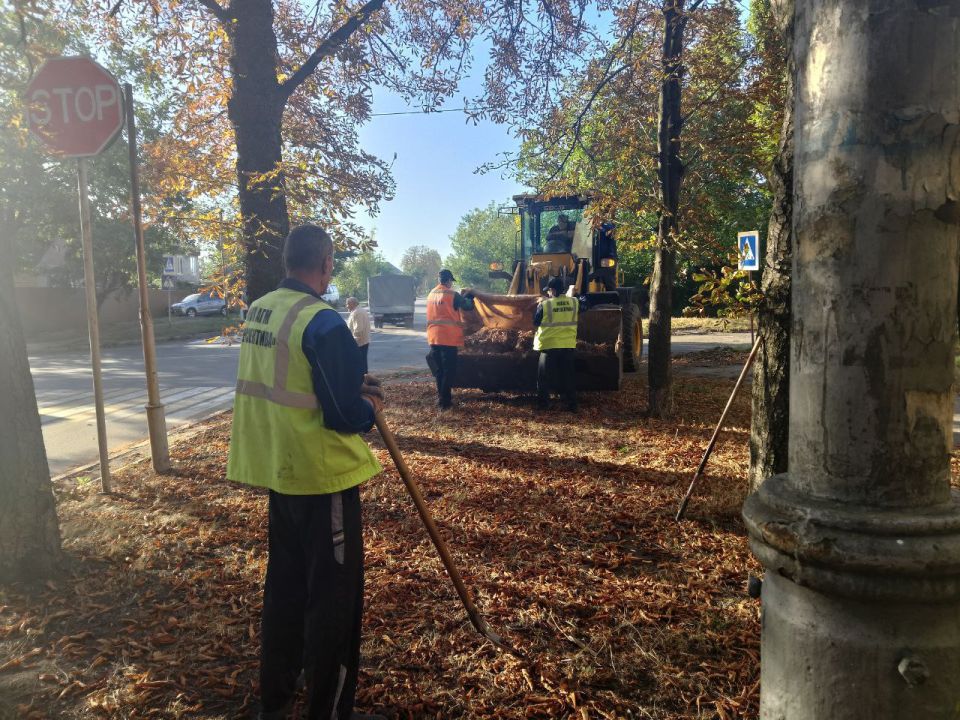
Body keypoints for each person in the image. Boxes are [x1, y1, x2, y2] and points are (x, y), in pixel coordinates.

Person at [226, 224, 386, 720]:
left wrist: (348, 388)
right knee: (334, 602)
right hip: (322, 480)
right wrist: (369, 407)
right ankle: (330, 711)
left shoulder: (260, 310)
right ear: (326, 264)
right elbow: (342, 414)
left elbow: (295, 382)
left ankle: (274, 701)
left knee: (286, 590)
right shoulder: (322, 322)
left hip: (280, 473)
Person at [426, 268, 475, 409]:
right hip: (448, 339)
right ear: (448, 281)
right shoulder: (451, 294)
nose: (451, 284)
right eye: (451, 281)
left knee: (440, 371)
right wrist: (471, 297)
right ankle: (445, 403)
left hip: (434, 338)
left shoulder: (431, 294)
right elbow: (468, 306)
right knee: (449, 371)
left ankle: (441, 399)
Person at [533, 276, 582, 412]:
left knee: (544, 378)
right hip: (567, 346)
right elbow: (585, 303)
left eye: (548, 290)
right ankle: (572, 405)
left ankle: (543, 405)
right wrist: (574, 292)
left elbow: (536, 322)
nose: (547, 293)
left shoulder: (545, 304)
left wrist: (540, 304)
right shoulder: (574, 302)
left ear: (552, 290)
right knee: (568, 377)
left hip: (548, 346)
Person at [346, 297, 371, 374]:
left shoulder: (357, 313)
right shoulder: (360, 311)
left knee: (359, 364)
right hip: (363, 341)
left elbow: (358, 329)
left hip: (359, 342)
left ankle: (363, 381)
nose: (346, 306)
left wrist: (353, 342)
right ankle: (365, 380)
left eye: (347, 304)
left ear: (353, 304)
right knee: (362, 362)